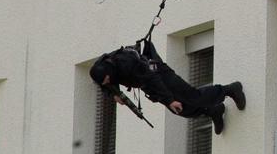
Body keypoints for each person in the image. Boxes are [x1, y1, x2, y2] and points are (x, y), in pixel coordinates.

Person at [89, 40, 245, 134]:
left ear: (109, 71)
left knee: (193, 97)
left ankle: (230, 89)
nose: (107, 82)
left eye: (107, 79)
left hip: (158, 74)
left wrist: (169, 100)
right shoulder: (101, 70)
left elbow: (153, 78)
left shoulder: (128, 64)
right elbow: (106, 85)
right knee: (181, 109)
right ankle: (213, 110)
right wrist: (113, 95)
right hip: (147, 83)